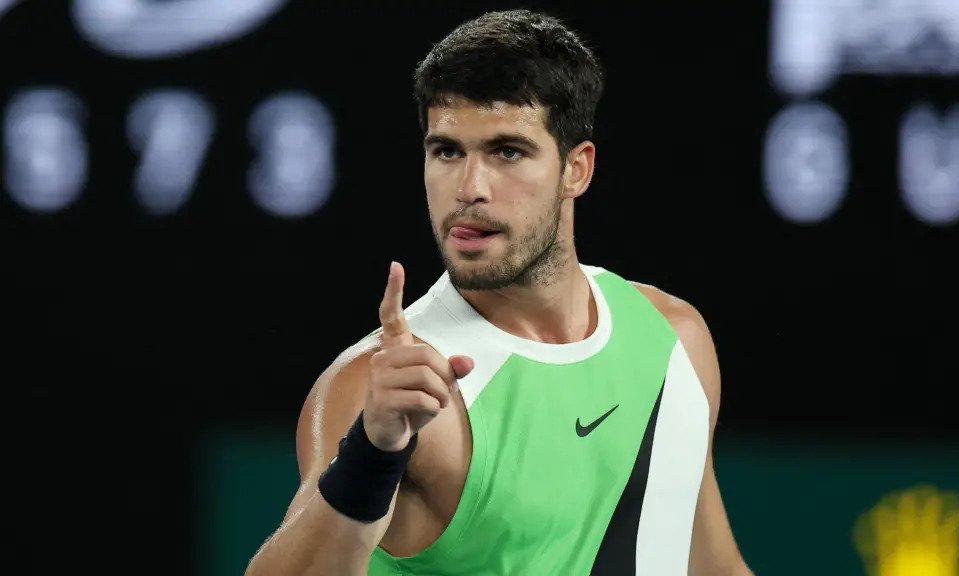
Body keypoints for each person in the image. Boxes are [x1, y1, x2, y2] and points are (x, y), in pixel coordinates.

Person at [245, 8, 754, 576]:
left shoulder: (674, 338)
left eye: (507, 151)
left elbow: (713, 565)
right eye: (447, 151)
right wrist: (371, 452)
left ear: (576, 170)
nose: (469, 188)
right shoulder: (380, 388)